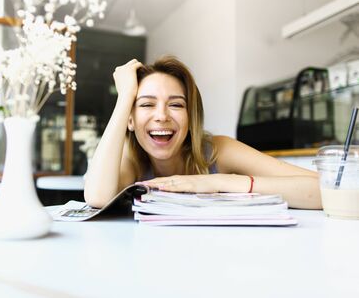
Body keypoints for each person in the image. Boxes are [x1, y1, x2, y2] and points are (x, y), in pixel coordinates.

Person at [84, 56, 321, 210]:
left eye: (176, 104)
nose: (162, 116)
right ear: (131, 120)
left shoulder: (219, 150)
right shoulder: (131, 156)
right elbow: (97, 198)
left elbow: (325, 190)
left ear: (191, 117)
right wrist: (125, 97)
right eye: (146, 104)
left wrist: (218, 181)